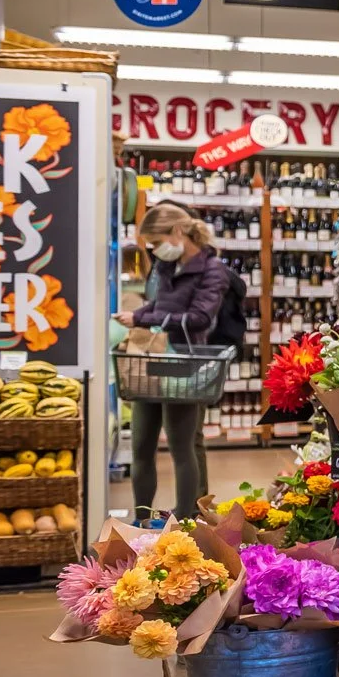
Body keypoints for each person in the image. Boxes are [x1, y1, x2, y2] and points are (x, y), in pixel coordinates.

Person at [115, 202, 231, 519]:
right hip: (151, 356)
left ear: (177, 232)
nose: (154, 250)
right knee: (141, 444)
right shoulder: (167, 266)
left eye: (155, 242)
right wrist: (137, 316)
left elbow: (199, 317)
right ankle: (141, 517)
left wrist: (149, 318)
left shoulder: (212, 270)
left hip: (185, 363)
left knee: (182, 447)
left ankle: (185, 521)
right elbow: (160, 305)